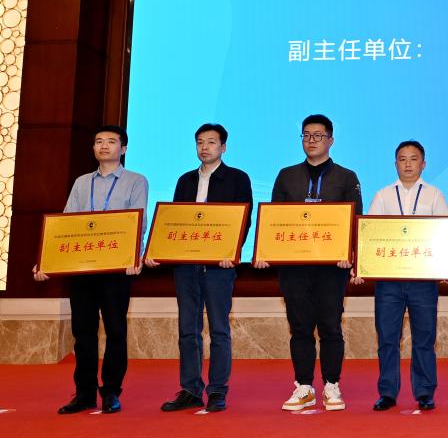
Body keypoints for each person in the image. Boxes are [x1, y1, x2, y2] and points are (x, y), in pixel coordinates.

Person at [34, 125, 148, 415]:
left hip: (116, 268)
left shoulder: (136, 181)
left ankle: (111, 392)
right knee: (83, 332)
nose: (104, 146)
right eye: (98, 141)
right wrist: (46, 260)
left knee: (115, 331)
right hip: (82, 268)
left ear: (123, 148)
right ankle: (84, 393)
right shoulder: (82, 182)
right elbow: (66, 223)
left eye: (111, 141)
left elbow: (139, 221)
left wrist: (135, 256)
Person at [254, 114, 362, 411]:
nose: (311, 141)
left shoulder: (346, 177)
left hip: (332, 267)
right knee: (300, 326)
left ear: (331, 140)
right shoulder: (286, 175)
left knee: (330, 326)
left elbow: (355, 219)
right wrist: (265, 250)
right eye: (306, 135)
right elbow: (274, 219)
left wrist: (350, 254)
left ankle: (331, 385)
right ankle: (303, 386)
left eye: (317, 135)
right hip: (295, 267)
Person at [146, 123, 252, 413]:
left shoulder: (237, 178)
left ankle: (217, 390)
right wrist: (158, 251)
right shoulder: (185, 180)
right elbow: (173, 221)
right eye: (200, 142)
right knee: (187, 329)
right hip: (186, 266)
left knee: (219, 330)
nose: (205, 147)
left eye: (211, 142)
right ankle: (190, 389)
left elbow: (244, 219)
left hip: (219, 267)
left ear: (223, 147)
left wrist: (232, 252)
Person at [362, 140, 448, 412]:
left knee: (424, 338)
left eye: (413, 159)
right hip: (389, 281)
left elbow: (443, 233)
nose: (408, 164)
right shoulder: (383, 195)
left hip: (423, 281)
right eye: (402, 159)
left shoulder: (434, 195)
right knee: (387, 338)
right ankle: (387, 393)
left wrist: (445, 265)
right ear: (395, 164)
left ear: (423, 164)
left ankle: (424, 392)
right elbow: (370, 234)